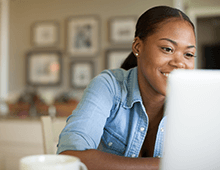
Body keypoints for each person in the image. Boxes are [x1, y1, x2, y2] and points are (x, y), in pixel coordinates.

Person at [57, 5, 196, 170]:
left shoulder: (194, 103)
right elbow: (70, 158)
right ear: (138, 47)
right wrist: (163, 165)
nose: (179, 63)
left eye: (188, 54)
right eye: (167, 49)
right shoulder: (108, 86)